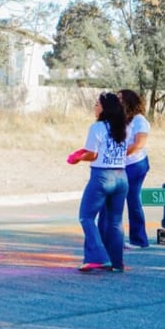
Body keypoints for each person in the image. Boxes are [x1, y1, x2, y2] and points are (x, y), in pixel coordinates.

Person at [67, 92, 127, 273]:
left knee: (86, 217)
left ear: (104, 108)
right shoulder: (124, 128)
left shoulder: (97, 128)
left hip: (102, 176)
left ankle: (97, 257)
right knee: (115, 222)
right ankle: (116, 262)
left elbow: (92, 154)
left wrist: (77, 159)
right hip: (121, 176)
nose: (95, 107)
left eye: (97, 104)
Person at [119, 89, 151, 249]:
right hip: (123, 163)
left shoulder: (139, 120)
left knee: (132, 199)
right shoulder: (123, 119)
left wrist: (119, 154)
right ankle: (111, 236)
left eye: (120, 99)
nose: (118, 102)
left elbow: (139, 144)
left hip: (136, 164)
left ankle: (139, 240)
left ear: (129, 101)